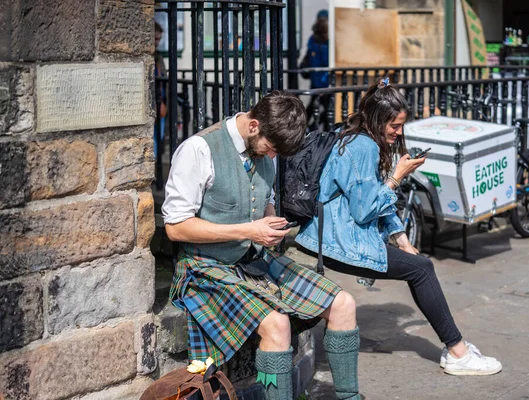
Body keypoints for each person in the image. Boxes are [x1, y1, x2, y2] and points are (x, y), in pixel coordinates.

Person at [295, 80, 503, 376]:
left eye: (402, 124)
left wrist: (402, 240)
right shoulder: (362, 147)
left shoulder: (357, 138)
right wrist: (397, 178)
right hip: (334, 241)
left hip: (334, 235)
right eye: (394, 125)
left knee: (418, 264)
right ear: (378, 120)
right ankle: (459, 353)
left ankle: (458, 350)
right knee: (422, 269)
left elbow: (374, 199)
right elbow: (365, 210)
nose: (399, 132)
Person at [162, 91, 361, 400]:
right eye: (271, 148)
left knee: (344, 304)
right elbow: (176, 228)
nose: (272, 157)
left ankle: (349, 397)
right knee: (276, 324)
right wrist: (249, 230)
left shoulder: (266, 150)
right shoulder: (199, 150)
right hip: (206, 267)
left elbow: (263, 204)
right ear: (253, 125)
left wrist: (271, 224)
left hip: (254, 261)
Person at [302, 10, 330, 129]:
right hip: (325, 82)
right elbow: (326, 61)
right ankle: (309, 128)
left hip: (316, 81)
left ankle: (306, 127)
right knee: (326, 109)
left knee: (315, 107)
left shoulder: (312, 39)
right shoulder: (328, 40)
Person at [154, 21, 168, 189]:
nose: (157, 42)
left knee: (160, 141)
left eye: (159, 39)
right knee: (154, 145)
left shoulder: (159, 58)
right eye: (155, 38)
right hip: (155, 104)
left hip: (162, 103)